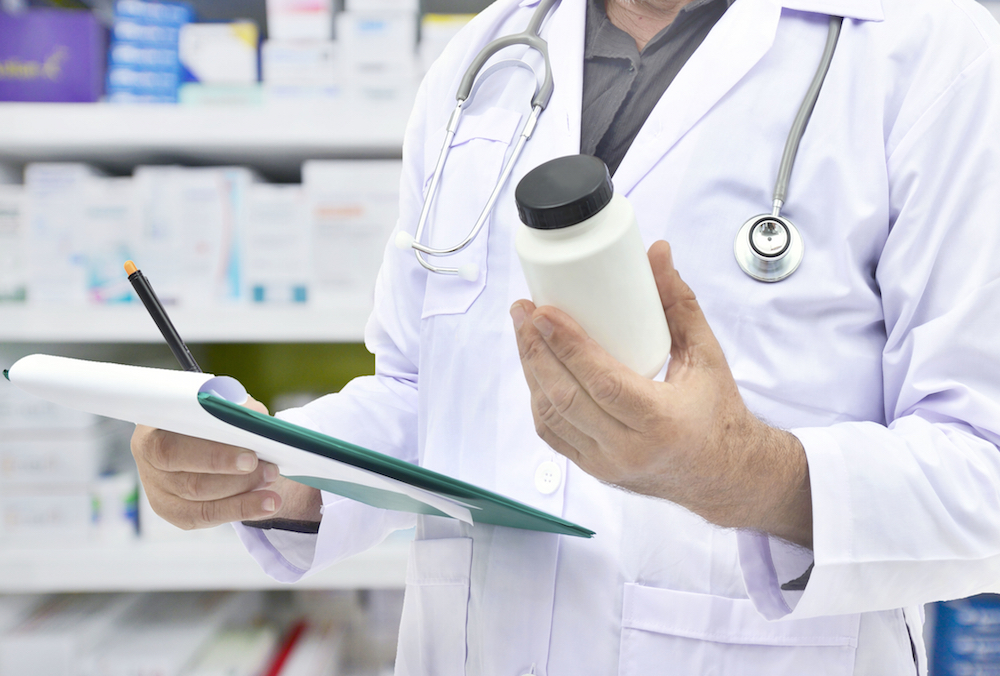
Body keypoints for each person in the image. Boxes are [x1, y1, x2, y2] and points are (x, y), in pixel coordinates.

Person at [131, 0, 1000, 672]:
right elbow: (420, 394)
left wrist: (742, 475)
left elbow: (984, 473)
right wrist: (272, 469)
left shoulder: (931, 52)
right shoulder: (483, 59)